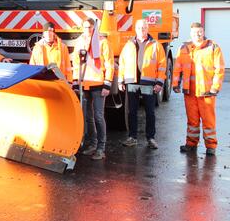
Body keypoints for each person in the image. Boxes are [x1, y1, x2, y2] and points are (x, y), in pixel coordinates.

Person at [172, 22, 225, 156]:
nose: (198, 35)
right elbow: (177, 67)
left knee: (208, 121)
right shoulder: (184, 48)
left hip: (206, 92)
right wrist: (175, 84)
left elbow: (220, 69)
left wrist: (215, 88)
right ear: (191, 33)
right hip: (189, 92)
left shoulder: (213, 47)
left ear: (204, 32)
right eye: (195, 32)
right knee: (192, 121)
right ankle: (191, 144)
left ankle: (211, 146)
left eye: (200, 32)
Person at [118, 19, 167, 150]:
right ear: (135, 29)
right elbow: (122, 63)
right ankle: (132, 137)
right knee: (131, 111)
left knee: (150, 112)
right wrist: (120, 80)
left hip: (149, 83)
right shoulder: (128, 44)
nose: (142, 30)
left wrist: (159, 82)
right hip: (132, 82)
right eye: (139, 28)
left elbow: (162, 65)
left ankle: (151, 138)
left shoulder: (156, 45)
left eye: (144, 28)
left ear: (148, 29)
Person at [71, 18, 113, 161]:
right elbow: (76, 64)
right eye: (85, 27)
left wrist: (107, 84)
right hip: (85, 84)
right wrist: (76, 82)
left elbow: (109, 64)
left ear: (94, 27)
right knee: (88, 117)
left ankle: (101, 147)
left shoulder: (103, 42)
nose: (88, 29)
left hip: (99, 84)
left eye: (90, 27)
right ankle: (93, 145)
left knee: (98, 116)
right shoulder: (80, 42)